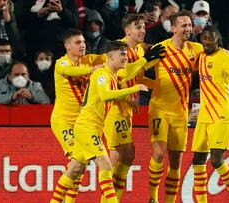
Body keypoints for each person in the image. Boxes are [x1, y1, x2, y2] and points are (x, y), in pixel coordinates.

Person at [51, 41, 148, 203]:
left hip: (92, 128)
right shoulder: (101, 74)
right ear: (110, 56)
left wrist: (128, 99)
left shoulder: (112, 75)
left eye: (126, 54)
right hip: (86, 128)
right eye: (122, 54)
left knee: (74, 170)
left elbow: (127, 74)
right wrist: (134, 88)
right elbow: (104, 95)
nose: (125, 58)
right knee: (105, 165)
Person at [101, 14, 165, 202]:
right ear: (127, 30)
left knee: (126, 157)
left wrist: (158, 86)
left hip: (125, 110)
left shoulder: (137, 50)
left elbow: (135, 77)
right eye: (138, 27)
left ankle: (113, 199)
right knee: (119, 155)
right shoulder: (118, 49)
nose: (143, 30)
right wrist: (129, 93)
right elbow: (120, 75)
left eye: (144, 27)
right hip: (113, 108)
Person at [191, 25, 229, 203]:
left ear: (218, 39)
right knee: (198, 159)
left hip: (222, 113)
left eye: (211, 38)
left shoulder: (225, 56)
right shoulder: (201, 55)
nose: (208, 41)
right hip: (205, 114)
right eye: (205, 38)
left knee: (217, 160)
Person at [147, 10, 203, 203]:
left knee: (176, 162)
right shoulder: (160, 49)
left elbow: (213, 60)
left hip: (181, 113)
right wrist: (148, 86)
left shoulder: (196, 50)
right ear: (173, 28)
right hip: (159, 109)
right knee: (159, 153)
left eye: (189, 25)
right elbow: (141, 72)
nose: (188, 28)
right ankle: (152, 197)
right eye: (184, 25)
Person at [49, 28, 104, 203]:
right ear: (67, 46)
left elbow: (109, 56)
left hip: (81, 123)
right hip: (64, 121)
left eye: (83, 42)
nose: (82, 45)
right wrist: (93, 69)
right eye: (77, 42)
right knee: (78, 163)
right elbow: (72, 73)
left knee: (80, 164)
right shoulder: (62, 64)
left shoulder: (87, 61)